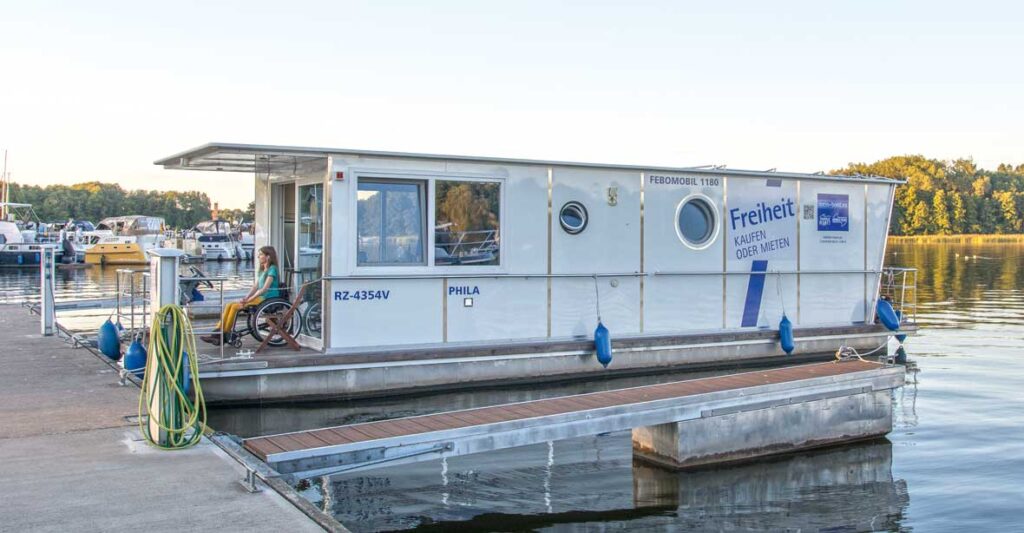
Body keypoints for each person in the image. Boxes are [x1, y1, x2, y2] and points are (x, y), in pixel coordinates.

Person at [201, 246, 281, 345]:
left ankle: (223, 334)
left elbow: (264, 289)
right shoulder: (262, 270)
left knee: (235, 307)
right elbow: (255, 287)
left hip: (267, 298)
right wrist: (246, 297)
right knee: (229, 305)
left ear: (268, 257)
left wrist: (249, 299)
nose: (258, 256)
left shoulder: (272, 269)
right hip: (260, 298)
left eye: (260, 254)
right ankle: (217, 332)